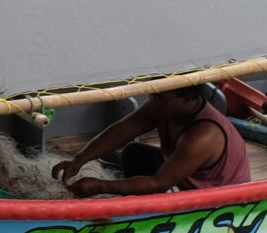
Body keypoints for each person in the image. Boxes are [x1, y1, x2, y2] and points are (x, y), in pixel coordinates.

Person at [52, 85, 250, 198]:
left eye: (159, 96)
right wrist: (79, 160)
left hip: (216, 203)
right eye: (152, 94)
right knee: (134, 153)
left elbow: (158, 183)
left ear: (187, 98)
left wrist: (102, 186)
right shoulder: (163, 107)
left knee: (148, 184)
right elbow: (122, 130)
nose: (152, 100)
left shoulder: (204, 135)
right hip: (187, 178)